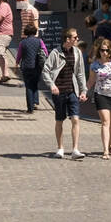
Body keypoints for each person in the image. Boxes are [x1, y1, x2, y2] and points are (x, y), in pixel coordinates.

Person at [41, 27, 88, 159]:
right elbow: (45, 71)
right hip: (59, 91)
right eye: (75, 37)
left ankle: (75, 150)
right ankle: (60, 148)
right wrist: (52, 85)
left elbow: (80, 73)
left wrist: (83, 90)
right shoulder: (56, 53)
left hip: (72, 91)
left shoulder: (77, 52)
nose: (77, 39)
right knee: (60, 120)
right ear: (68, 39)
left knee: (75, 119)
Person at [87, 39, 111, 159]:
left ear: (110, 51)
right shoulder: (94, 64)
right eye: (102, 50)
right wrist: (84, 91)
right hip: (100, 94)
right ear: (99, 51)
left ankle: (109, 145)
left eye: (107, 50)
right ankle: (105, 151)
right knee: (105, 122)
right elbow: (91, 81)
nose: (104, 52)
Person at [16, 22, 48, 113]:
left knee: (29, 86)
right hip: (37, 66)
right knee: (35, 83)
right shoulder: (39, 41)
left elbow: (19, 55)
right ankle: (35, 101)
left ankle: (30, 108)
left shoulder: (23, 42)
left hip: (26, 66)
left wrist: (17, 63)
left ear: (26, 32)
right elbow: (45, 52)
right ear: (35, 31)